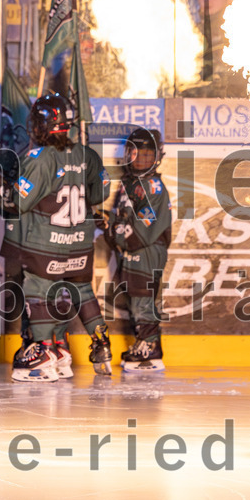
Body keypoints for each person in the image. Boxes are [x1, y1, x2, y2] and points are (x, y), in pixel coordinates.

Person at [0, 93, 113, 382]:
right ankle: (91, 344)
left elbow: (18, 201)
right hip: (79, 243)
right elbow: (101, 194)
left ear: (42, 125)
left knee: (37, 291)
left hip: (46, 243)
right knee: (81, 290)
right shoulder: (88, 155)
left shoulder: (40, 158)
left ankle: (44, 352)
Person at [101, 127, 171, 372]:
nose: (140, 159)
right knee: (135, 298)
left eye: (147, 154)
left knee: (143, 298)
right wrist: (109, 224)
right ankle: (144, 343)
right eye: (135, 153)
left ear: (157, 157)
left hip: (147, 251)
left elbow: (141, 231)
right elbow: (119, 218)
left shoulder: (153, 187)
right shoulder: (129, 183)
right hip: (132, 253)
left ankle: (150, 349)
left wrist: (113, 231)